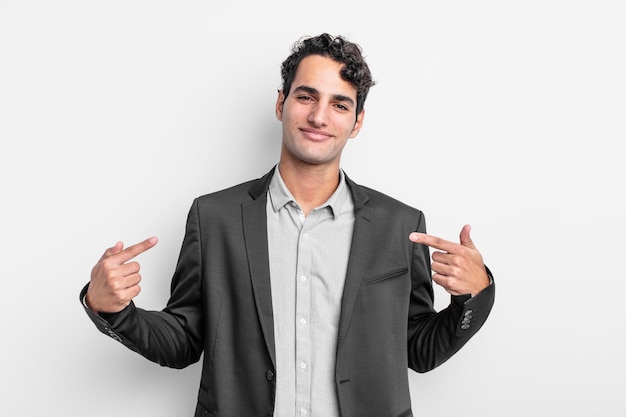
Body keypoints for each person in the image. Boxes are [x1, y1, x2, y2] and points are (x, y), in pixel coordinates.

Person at [80, 33, 495, 417]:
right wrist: (113, 310)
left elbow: (419, 350)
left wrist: (473, 298)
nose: (318, 116)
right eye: (306, 96)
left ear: (357, 121)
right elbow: (184, 340)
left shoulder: (400, 225)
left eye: (339, 104)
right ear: (281, 103)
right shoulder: (215, 218)